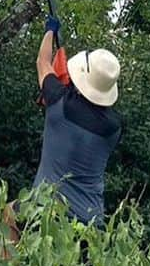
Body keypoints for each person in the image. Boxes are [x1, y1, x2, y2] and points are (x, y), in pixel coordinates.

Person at [32, 28, 122, 227]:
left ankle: (12, 260)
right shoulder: (115, 128)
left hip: (47, 212)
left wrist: (49, 31)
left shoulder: (60, 104)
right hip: (92, 222)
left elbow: (43, 62)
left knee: (9, 215)